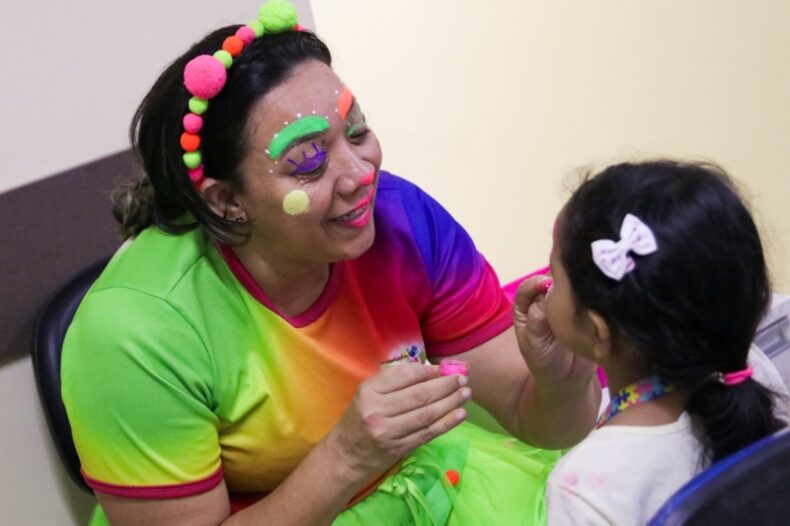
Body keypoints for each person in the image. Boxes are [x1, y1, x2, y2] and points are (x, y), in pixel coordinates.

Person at [61, 1, 600, 524]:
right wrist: (347, 456)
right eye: (308, 162)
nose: (360, 173)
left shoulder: (403, 222)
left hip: (421, 489)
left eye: (357, 131)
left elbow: (545, 422)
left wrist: (561, 373)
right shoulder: (135, 330)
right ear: (227, 201)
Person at [512, 160, 789, 524]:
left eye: (554, 272)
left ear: (598, 331)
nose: (546, 281)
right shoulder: (754, 376)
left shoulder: (586, 486)